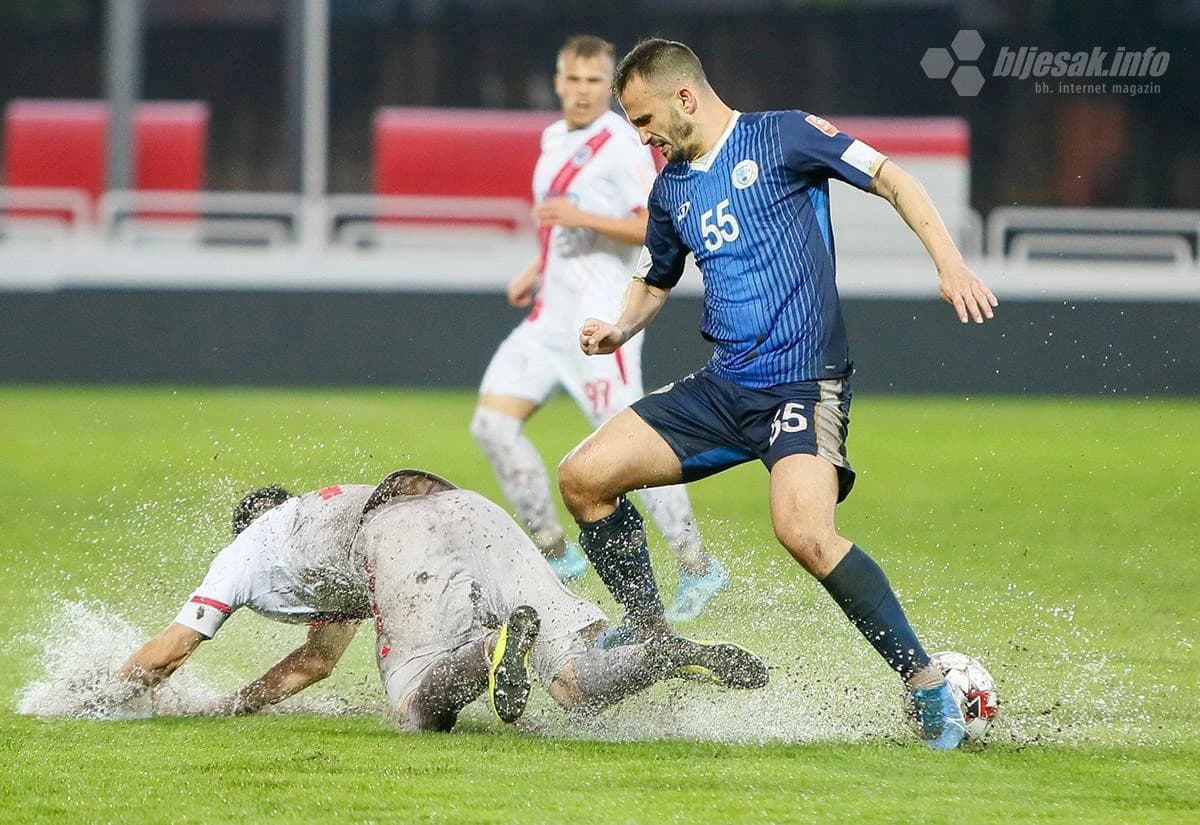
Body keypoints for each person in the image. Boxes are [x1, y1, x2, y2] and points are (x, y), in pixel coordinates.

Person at [556, 39, 999, 750]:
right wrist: (617, 327)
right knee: (582, 476)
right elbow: (656, 277)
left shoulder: (784, 135)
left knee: (804, 532)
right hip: (725, 385)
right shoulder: (671, 190)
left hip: (803, 382)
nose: (638, 135)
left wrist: (949, 266)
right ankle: (650, 632)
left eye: (642, 119)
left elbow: (893, 179)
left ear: (685, 98)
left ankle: (926, 685)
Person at [118, 470, 767, 731]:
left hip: (400, 534)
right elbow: (316, 661)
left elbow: (171, 650)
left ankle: (489, 649)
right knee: (574, 683)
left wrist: (108, 690)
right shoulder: (315, 520)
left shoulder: (246, 551)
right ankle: (664, 652)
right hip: (469, 506)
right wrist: (234, 703)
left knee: (416, 704)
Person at [470, 34, 728, 622]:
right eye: (574, 79)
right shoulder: (552, 139)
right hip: (546, 320)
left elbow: (651, 229)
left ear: (607, 84)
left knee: (630, 455)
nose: (583, 91)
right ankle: (554, 551)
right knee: (492, 426)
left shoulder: (622, 144)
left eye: (595, 81)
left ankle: (696, 564)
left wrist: (580, 216)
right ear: (558, 81)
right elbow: (561, 230)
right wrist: (537, 269)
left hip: (598, 324)